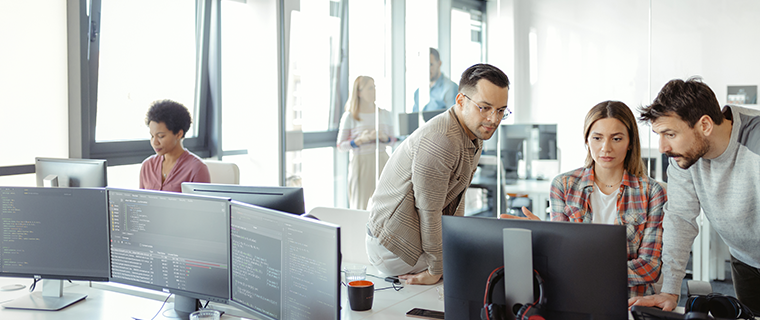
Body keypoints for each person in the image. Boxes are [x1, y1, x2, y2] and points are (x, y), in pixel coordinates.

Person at [502, 101, 667, 298]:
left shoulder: (652, 192)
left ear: (630, 142)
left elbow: (650, 267)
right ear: (587, 140)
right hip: (575, 296)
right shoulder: (563, 185)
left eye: (616, 138)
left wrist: (583, 268)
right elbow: (558, 258)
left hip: (629, 299)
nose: (606, 148)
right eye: (597, 138)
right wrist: (543, 236)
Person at [366, 63, 511, 285]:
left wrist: (454, 246)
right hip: (394, 246)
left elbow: (457, 198)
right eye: (485, 107)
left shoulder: (474, 134)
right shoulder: (441, 140)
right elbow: (429, 210)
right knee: (490, 266)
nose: (494, 119)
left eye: (501, 110)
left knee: (489, 258)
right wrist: (436, 269)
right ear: (461, 101)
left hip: (412, 236)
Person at [628, 77, 760, 313]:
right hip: (744, 258)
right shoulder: (685, 158)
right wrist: (669, 291)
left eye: (669, 134)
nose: (662, 148)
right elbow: (680, 218)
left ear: (705, 125)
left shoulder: (755, 142)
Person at [336, 76, 396, 210]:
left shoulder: (384, 114)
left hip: (382, 159)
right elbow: (340, 146)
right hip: (361, 162)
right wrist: (359, 140)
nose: (373, 91)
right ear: (359, 92)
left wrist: (383, 137)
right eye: (370, 88)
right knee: (359, 205)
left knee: (386, 204)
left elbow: (393, 141)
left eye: (374, 87)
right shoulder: (350, 116)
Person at [139, 99, 210, 192]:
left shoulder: (197, 169)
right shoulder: (147, 166)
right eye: (152, 136)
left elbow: (202, 205)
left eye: (161, 136)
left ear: (179, 134)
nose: (154, 142)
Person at [412, 48, 459, 112]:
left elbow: (453, 118)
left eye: (431, 65)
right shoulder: (418, 92)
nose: (427, 69)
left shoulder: (449, 88)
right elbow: (414, 119)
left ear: (439, 64)